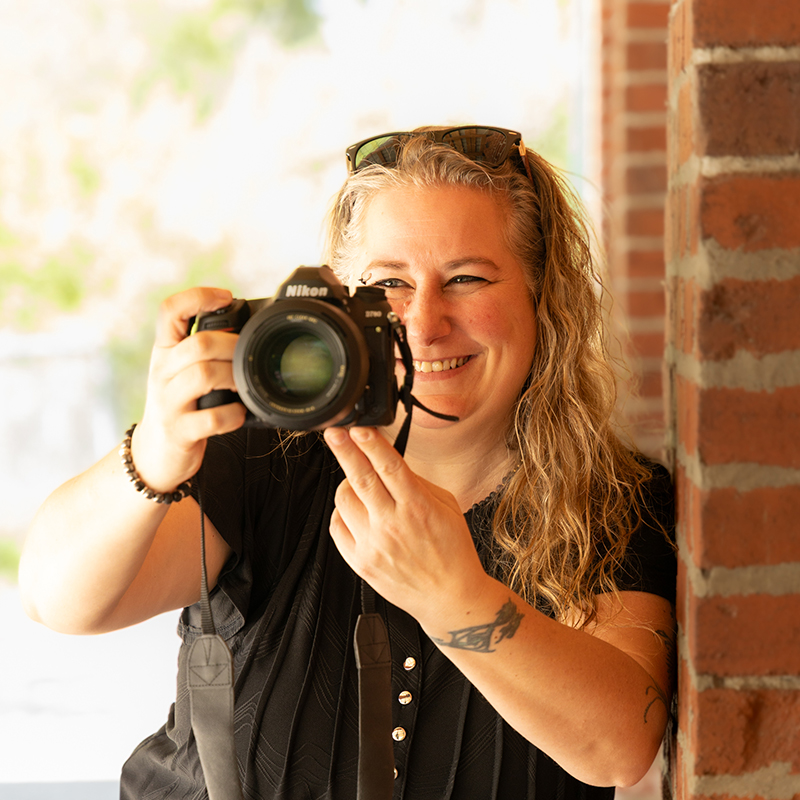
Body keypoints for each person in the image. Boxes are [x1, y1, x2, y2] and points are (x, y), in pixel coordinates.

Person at [20, 126, 676, 799]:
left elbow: (619, 747)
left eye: (467, 279)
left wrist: (453, 597)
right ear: (344, 307)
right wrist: (153, 452)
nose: (424, 322)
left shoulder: (614, 503)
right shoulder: (267, 455)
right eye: (389, 284)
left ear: (544, 300)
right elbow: (56, 598)